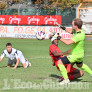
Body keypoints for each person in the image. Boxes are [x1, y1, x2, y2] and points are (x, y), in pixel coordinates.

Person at [55, 18, 92, 85]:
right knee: (80, 65)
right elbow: (70, 31)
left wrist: (59, 37)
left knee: (60, 62)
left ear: (76, 26)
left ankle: (66, 80)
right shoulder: (80, 30)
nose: (71, 25)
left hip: (75, 55)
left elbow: (68, 42)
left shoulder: (79, 36)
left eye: (72, 24)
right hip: (80, 54)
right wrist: (62, 27)